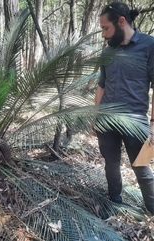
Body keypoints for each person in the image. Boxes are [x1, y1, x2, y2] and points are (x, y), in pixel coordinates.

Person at [95, 2, 154, 215]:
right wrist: (96, 117)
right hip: (107, 120)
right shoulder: (107, 51)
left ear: (121, 22)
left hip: (136, 121)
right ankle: (115, 203)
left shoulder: (149, 45)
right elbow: (101, 86)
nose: (103, 34)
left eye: (105, 28)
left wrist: (153, 125)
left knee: (142, 169)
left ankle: (152, 210)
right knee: (111, 165)